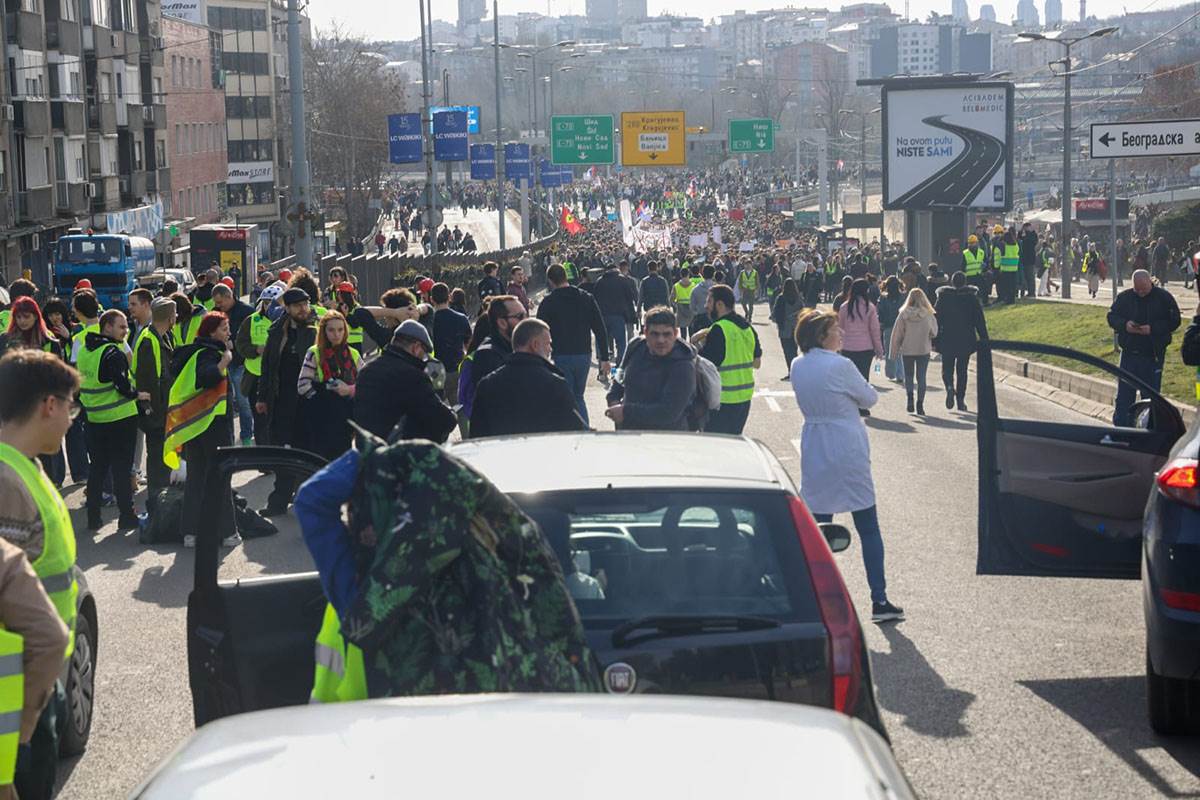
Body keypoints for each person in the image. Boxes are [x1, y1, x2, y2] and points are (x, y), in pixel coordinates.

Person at [0, 349, 81, 800]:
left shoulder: (23, 465)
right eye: (71, 406)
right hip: (14, 698)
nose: (71, 418)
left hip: (35, 680)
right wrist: (19, 734)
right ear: (49, 404)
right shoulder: (6, 482)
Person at [788, 310, 903, 623]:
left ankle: (817, 598)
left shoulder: (798, 364)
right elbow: (869, 398)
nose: (840, 332)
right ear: (822, 336)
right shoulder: (841, 365)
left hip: (815, 441)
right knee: (867, 523)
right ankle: (879, 599)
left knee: (819, 527)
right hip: (845, 441)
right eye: (834, 328)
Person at [165, 312, 239, 549]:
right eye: (224, 328)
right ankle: (228, 533)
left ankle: (191, 533)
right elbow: (207, 377)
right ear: (211, 332)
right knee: (220, 477)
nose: (228, 332)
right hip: (213, 425)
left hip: (195, 426)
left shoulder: (193, 353)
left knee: (196, 478)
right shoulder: (210, 354)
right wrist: (225, 360)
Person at [78, 309, 146, 530]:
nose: (126, 331)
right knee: (121, 468)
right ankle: (127, 517)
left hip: (94, 419)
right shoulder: (112, 353)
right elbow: (122, 386)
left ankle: (93, 517)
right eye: (122, 327)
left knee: (97, 468)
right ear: (107, 327)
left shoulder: (86, 351)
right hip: (119, 419)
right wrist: (138, 394)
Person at [256, 288, 318, 516]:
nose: (303, 309)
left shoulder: (315, 331)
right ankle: (278, 502)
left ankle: (306, 500)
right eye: (298, 305)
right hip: (281, 402)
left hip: (308, 403)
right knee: (282, 452)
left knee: (307, 453)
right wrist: (262, 397)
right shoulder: (277, 332)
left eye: (306, 304)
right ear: (288, 308)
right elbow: (268, 367)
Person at [470, 319, 585, 438]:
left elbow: (477, 436)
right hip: (544, 453)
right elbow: (574, 433)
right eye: (548, 343)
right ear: (534, 345)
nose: (550, 349)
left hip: (502, 454)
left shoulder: (487, 384)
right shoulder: (555, 384)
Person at [353, 320, 456, 443]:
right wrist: (452, 414)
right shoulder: (412, 376)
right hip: (398, 454)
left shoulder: (366, 371)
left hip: (368, 452)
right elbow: (441, 418)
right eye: (424, 353)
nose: (424, 358)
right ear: (416, 347)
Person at [1107, 269, 1181, 427]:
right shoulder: (1125, 297)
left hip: (1153, 354)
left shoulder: (1163, 298)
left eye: (1144, 289)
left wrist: (1153, 328)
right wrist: (1125, 325)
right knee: (1124, 397)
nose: (1140, 292)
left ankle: (1149, 429)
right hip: (1129, 354)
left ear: (1150, 282)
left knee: (1151, 398)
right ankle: (1121, 428)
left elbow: (1174, 320)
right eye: (1137, 289)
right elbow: (1112, 316)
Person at [536, 266, 611, 424]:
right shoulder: (586, 297)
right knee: (578, 396)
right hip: (583, 353)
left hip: (561, 353)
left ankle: (572, 430)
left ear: (550, 281)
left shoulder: (548, 302)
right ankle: (583, 428)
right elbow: (600, 328)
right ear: (566, 276)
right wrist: (604, 358)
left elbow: (538, 331)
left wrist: (540, 358)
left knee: (567, 396)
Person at [605, 306, 697, 431]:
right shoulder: (636, 346)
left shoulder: (683, 365)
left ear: (675, 333)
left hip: (667, 440)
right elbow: (619, 376)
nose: (661, 340)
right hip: (629, 435)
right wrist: (613, 398)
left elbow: (668, 413)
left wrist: (625, 412)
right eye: (655, 334)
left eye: (666, 334)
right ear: (646, 332)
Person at [692, 285, 760, 435]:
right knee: (734, 442)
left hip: (722, 400)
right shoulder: (747, 328)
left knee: (717, 446)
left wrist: (696, 343)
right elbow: (757, 363)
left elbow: (704, 364)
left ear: (720, 304)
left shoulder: (718, 329)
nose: (706, 306)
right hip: (744, 399)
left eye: (709, 302)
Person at [132, 298, 176, 518]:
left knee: (162, 456)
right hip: (156, 412)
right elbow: (147, 381)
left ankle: (162, 499)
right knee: (157, 458)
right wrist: (151, 411)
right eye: (174, 315)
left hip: (164, 410)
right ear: (170, 317)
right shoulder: (149, 340)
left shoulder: (164, 336)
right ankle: (157, 504)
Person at [298, 311, 360, 460]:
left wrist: (349, 390)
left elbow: (365, 384)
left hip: (346, 419)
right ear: (324, 331)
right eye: (331, 330)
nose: (336, 334)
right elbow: (303, 385)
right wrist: (321, 401)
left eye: (340, 329)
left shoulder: (353, 354)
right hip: (321, 419)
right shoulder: (314, 352)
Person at [934, 271, 988, 411]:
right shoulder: (971, 298)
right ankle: (960, 400)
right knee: (962, 371)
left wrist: (934, 338)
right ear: (964, 282)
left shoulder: (943, 298)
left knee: (947, 368)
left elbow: (936, 319)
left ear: (951, 282)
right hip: (966, 338)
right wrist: (984, 338)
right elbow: (979, 320)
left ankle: (950, 387)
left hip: (947, 338)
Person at [210, 284, 255, 444]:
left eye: (220, 302)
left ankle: (246, 435)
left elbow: (253, 337)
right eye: (216, 303)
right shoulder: (216, 313)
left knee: (243, 402)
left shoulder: (247, 312)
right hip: (223, 361)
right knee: (224, 402)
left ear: (229, 297)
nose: (218, 305)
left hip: (241, 362)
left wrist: (235, 344)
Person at [835, 279, 884, 415]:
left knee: (849, 377)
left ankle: (850, 404)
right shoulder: (870, 307)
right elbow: (875, 330)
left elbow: (840, 328)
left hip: (848, 348)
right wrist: (879, 349)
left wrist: (837, 346)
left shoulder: (845, 307)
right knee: (863, 377)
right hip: (865, 348)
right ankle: (862, 406)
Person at [889, 289, 938, 415]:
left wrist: (893, 352)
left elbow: (897, 334)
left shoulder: (903, 314)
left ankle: (910, 398)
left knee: (909, 376)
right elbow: (934, 332)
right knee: (921, 377)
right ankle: (920, 403)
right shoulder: (928, 314)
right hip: (923, 349)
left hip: (907, 349)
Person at [430, 283, 472, 403]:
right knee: (459, 406)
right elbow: (469, 345)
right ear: (449, 297)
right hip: (456, 367)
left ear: (431, 299)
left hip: (435, 370)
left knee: (437, 408)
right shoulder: (461, 318)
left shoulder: (429, 321)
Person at [593, 261, 638, 368]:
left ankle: (601, 367)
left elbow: (594, 299)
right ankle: (619, 366)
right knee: (621, 342)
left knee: (602, 342)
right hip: (618, 316)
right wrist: (632, 315)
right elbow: (629, 298)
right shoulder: (622, 280)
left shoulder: (600, 281)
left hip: (603, 316)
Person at [771, 278, 805, 380]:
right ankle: (796, 371)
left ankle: (791, 371)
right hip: (796, 328)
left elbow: (775, 313)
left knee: (787, 351)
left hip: (784, 329)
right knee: (794, 350)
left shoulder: (781, 298)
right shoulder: (798, 298)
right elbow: (803, 311)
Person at [876, 276, 904, 383]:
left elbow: (880, 313)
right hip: (901, 327)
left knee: (889, 350)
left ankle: (891, 372)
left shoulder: (883, 298)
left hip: (888, 326)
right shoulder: (903, 297)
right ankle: (900, 374)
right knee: (900, 351)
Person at [993, 228, 1021, 304]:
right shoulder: (1016, 246)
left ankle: (1006, 300)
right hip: (1014, 269)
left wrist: (996, 268)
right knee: (1012, 286)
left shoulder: (1002, 247)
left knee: (1006, 287)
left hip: (1005, 269)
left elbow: (997, 260)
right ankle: (1012, 300)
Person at [688, 266, 715, 336]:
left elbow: (692, 307)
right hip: (715, 320)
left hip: (700, 319)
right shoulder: (719, 289)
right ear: (713, 274)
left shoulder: (695, 289)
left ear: (702, 273)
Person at [1018, 222, 1039, 299]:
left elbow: (1032, 242)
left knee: (1030, 276)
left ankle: (1031, 292)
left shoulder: (1033, 235)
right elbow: (1019, 239)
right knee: (1024, 277)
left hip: (1030, 259)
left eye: (1028, 227)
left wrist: (1026, 234)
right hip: (1023, 259)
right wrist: (1022, 232)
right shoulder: (1021, 234)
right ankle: (1024, 292)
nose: (1027, 229)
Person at [672, 267, 695, 332]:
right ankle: (691, 342)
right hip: (691, 309)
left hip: (681, 309)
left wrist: (676, 305)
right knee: (691, 330)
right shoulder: (693, 285)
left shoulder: (676, 286)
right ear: (688, 274)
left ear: (680, 275)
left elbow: (671, 299)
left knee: (683, 331)